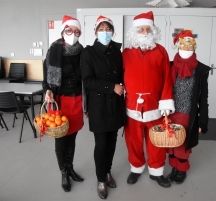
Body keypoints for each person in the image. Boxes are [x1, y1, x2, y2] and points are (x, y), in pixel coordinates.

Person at [122, 11, 175, 188]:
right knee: (133, 141)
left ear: (153, 31)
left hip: (156, 107)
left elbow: (168, 77)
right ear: (134, 32)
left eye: (147, 29)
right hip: (132, 106)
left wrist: (166, 101)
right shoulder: (126, 53)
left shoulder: (161, 51)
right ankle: (136, 168)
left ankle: (157, 171)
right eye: (140, 29)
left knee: (156, 142)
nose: (144, 32)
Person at [81, 15, 126, 199]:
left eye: (108, 29)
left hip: (115, 104)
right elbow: (88, 80)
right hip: (99, 106)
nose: (105, 32)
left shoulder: (117, 52)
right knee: (101, 145)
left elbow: (122, 75)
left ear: (113, 32)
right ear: (95, 32)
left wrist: (123, 86)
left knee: (113, 142)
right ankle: (100, 180)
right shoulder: (88, 52)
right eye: (101, 29)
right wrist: (111, 87)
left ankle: (108, 172)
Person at [42, 15, 84, 192]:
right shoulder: (54, 50)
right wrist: (47, 90)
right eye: (69, 30)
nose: (72, 34)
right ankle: (63, 172)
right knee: (61, 138)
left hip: (77, 100)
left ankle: (70, 167)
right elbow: (45, 78)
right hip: (60, 100)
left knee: (72, 136)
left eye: (76, 31)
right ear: (63, 31)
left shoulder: (82, 51)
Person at [166, 30, 210, 184]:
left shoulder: (201, 70)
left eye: (189, 46)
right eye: (183, 46)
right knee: (171, 144)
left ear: (194, 47)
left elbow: (203, 97)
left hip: (187, 114)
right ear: (178, 46)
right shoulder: (170, 65)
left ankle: (182, 171)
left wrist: (202, 121)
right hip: (170, 112)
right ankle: (174, 168)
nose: (185, 49)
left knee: (182, 145)